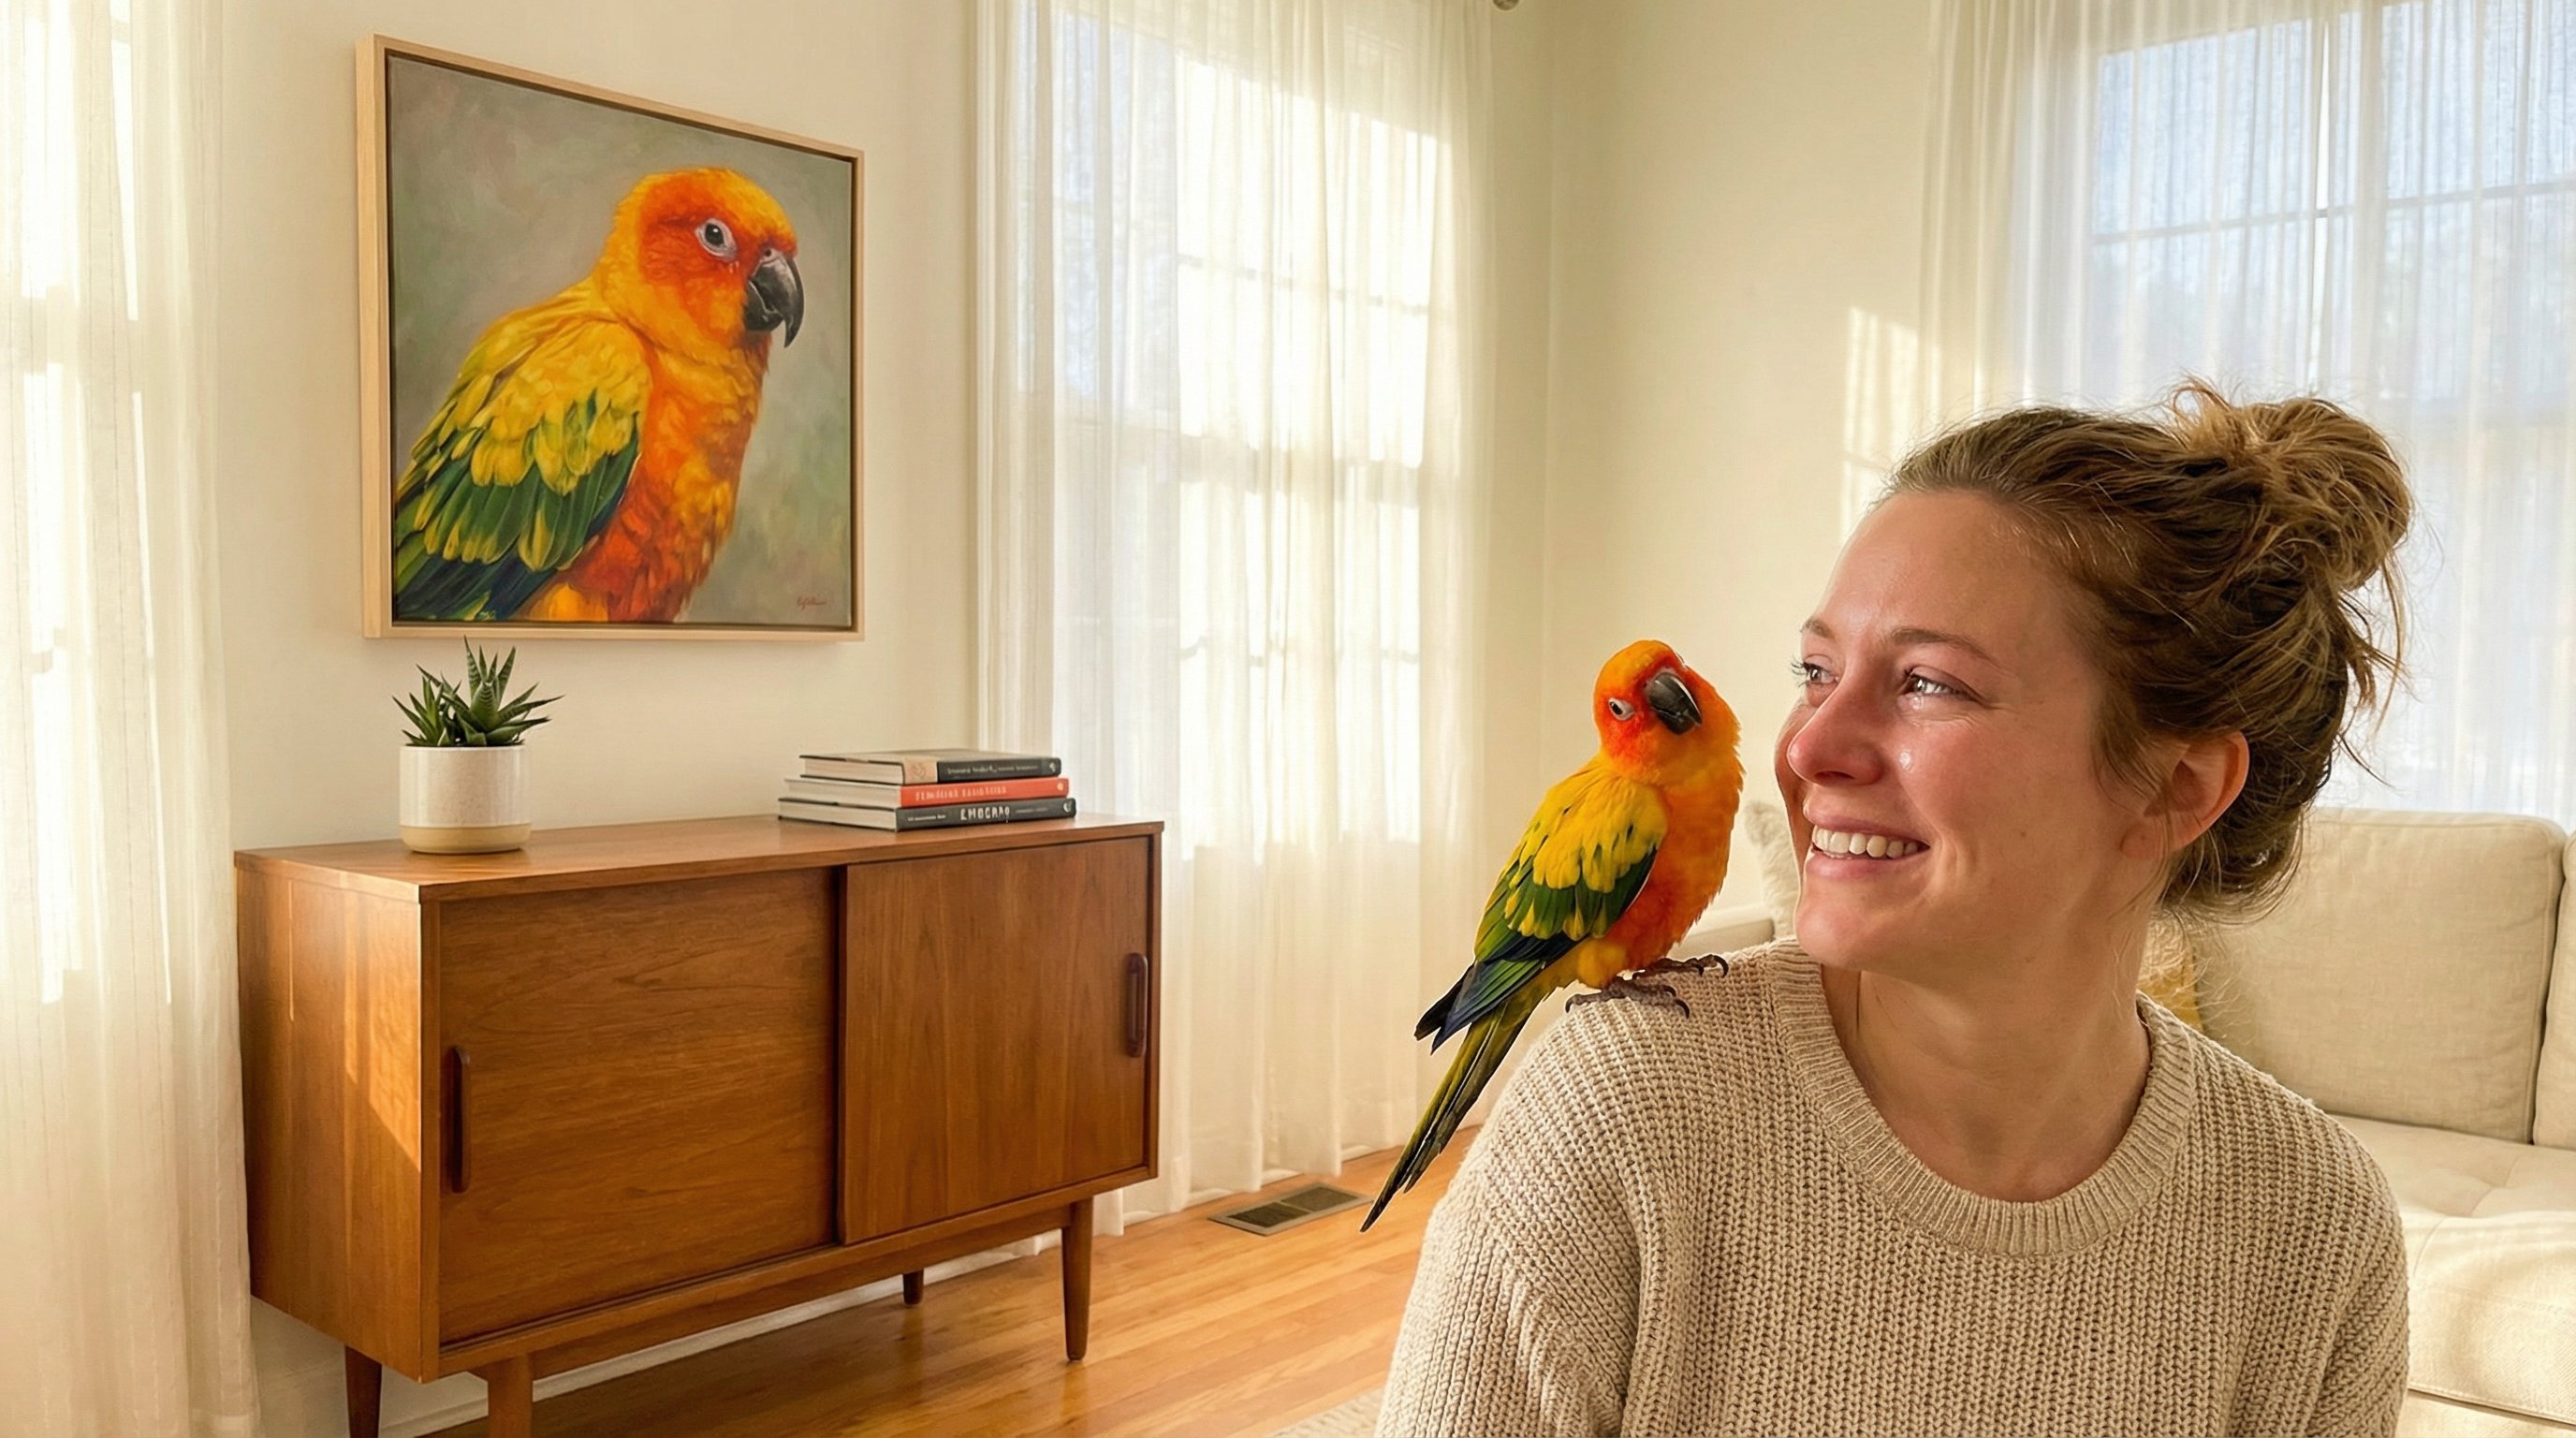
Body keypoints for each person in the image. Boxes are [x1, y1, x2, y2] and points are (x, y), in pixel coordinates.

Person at [1375, 382, 2415, 1437]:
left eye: (1926, 683)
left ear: (2173, 789)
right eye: (1815, 670)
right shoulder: (1617, 1115)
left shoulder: (2314, 1228)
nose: (1807, 747)